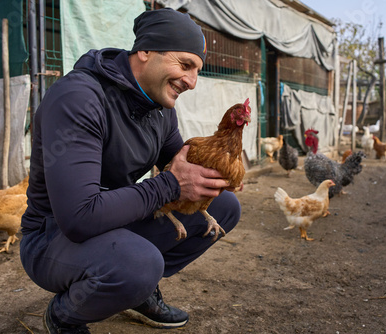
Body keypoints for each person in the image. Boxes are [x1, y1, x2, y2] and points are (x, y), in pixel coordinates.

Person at [20, 8, 241, 333]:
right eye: (185, 65)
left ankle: (136, 293)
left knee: (222, 207)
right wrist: (168, 186)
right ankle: (64, 315)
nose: (192, 82)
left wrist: (224, 160)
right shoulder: (78, 99)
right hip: (52, 235)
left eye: (197, 70)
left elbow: (183, 165)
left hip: (113, 221)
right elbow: (79, 218)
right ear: (145, 51)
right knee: (138, 265)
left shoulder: (159, 108)